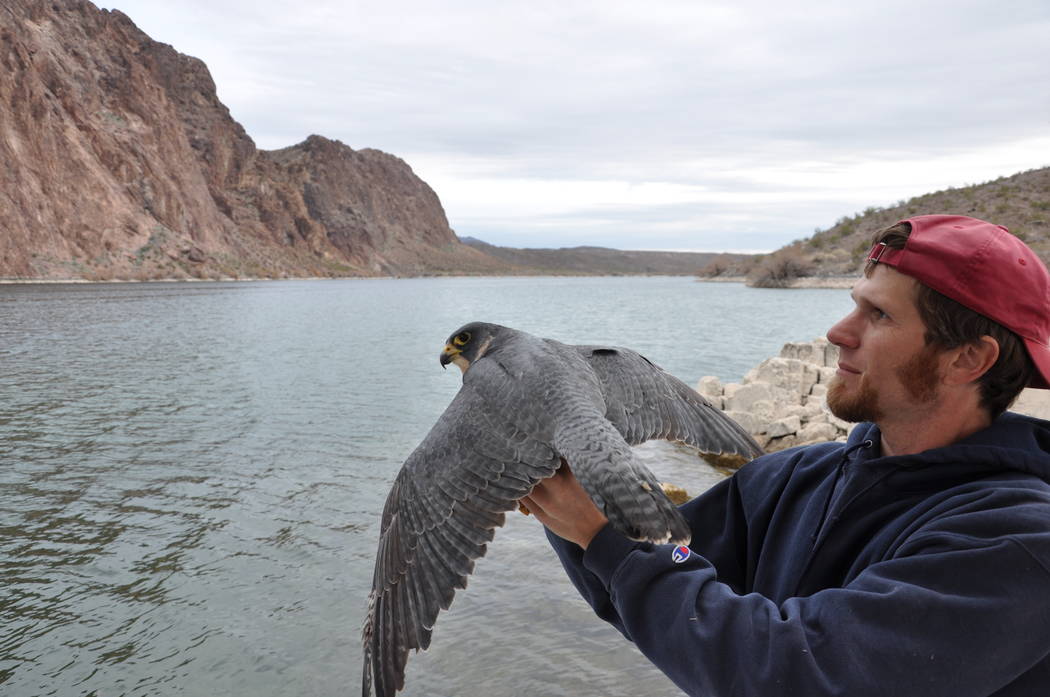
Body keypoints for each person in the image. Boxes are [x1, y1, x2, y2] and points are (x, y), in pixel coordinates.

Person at [522, 214, 1050, 696]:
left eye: (880, 315)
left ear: (968, 359)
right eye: (854, 303)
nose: (839, 333)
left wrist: (606, 536)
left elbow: (797, 673)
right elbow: (648, 596)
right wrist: (571, 472)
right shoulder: (794, 476)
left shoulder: (1020, 541)